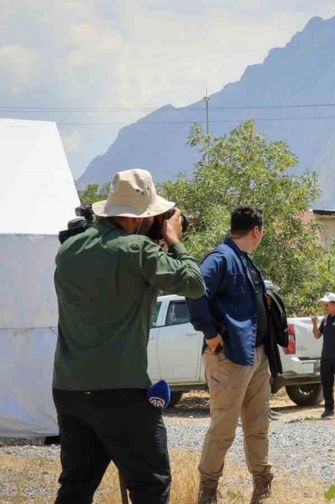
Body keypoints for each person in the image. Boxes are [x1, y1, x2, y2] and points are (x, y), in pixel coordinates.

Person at [53, 168, 205, 504]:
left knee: (76, 486)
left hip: (69, 388)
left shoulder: (68, 251)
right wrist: (174, 241)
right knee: (150, 484)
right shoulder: (137, 251)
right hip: (121, 390)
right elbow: (194, 284)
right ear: (140, 218)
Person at [187, 206, 274, 504]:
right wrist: (209, 333)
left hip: (256, 355)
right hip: (230, 358)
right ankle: (208, 491)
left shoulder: (243, 259)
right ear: (256, 231)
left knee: (258, 423)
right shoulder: (220, 258)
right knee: (224, 427)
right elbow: (195, 289)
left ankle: (262, 487)